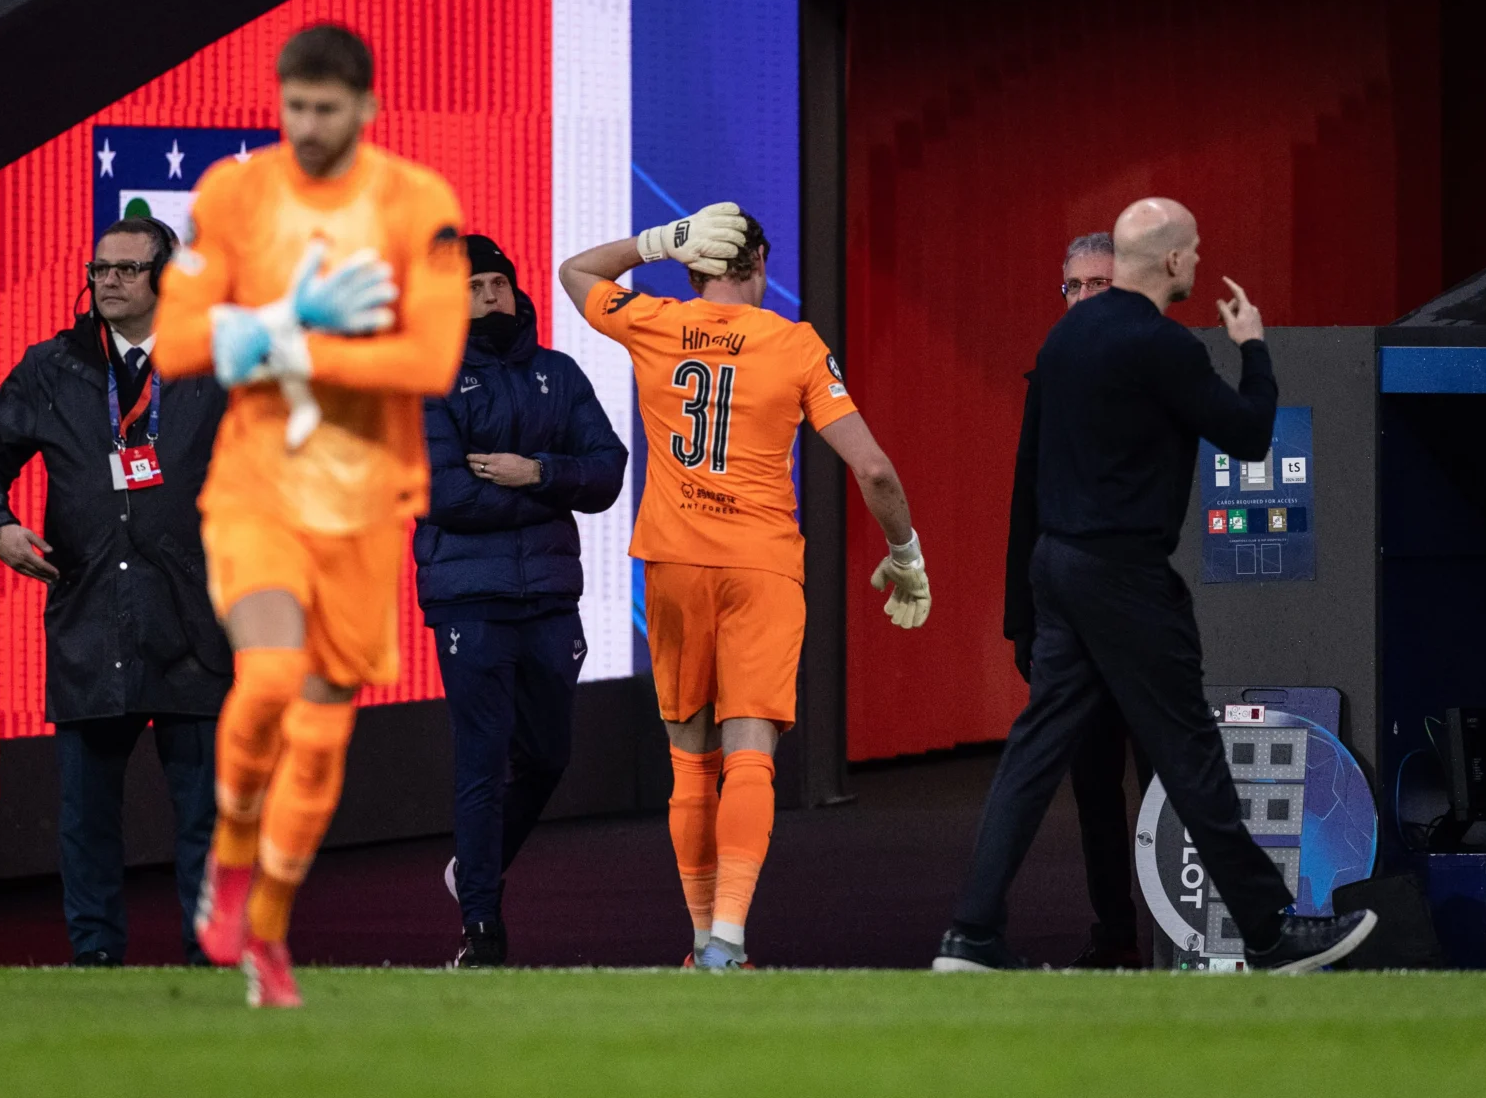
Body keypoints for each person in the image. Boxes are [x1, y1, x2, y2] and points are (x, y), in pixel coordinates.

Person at [934, 197, 1376, 974]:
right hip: (1126, 577)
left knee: (1034, 756)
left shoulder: (1064, 339)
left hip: (1059, 570)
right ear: (1171, 261)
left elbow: (1029, 481)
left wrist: (1021, 611)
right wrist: (1254, 349)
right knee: (1190, 752)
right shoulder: (1163, 348)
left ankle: (970, 934)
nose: (1200, 262)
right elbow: (1246, 434)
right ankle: (1271, 931)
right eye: (1195, 250)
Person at [153, 23, 469, 1006]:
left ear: (367, 109)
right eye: (295, 107)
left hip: (369, 502)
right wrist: (292, 318)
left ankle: (271, 938)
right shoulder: (235, 195)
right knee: (270, 673)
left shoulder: (416, 203)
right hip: (257, 487)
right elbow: (171, 341)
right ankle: (231, 857)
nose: (309, 126)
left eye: (328, 110)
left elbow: (430, 362)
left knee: (325, 736)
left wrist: (291, 348)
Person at [559, 203, 931, 969]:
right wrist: (907, 555)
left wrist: (654, 243)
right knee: (751, 753)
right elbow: (875, 470)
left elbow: (575, 273)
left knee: (690, 761)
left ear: (692, 267)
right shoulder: (794, 344)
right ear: (760, 264)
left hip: (673, 560)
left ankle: (700, 943)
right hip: (761, 565)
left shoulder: (655, 321)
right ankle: (730, 938)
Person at [0, 216, 230, 966]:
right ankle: (94, 958)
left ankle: (211, 954)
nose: (108, 281)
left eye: (126, 269)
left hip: (194, 621)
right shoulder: (53, 366)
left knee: (207, 818)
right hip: (89, 617)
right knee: (86, 817)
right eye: (99, 269)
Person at [415, 235, 627, 967]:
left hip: (549, 600)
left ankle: (470, 871)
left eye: (497, 283)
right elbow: (443, 496)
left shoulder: (557, 374)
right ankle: (481, 929)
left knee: (548, 755)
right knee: (480, 761)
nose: (489, 296)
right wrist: (547, 491)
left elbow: (606, 476)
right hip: (469, 601)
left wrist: (530, 470)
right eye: (471, 287)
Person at [1005, 231, 1150, 969]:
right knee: (1094, 789)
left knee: (1171, 785)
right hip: (1072, 628)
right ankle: (1116, 934)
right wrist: (1020, 623)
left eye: (1099, 285)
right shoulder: (1048, 381)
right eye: (1074, 287)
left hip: (1148, 622)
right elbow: (1024, 506)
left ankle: (1187, 933)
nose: (1085, 299)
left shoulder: (1163, 374)